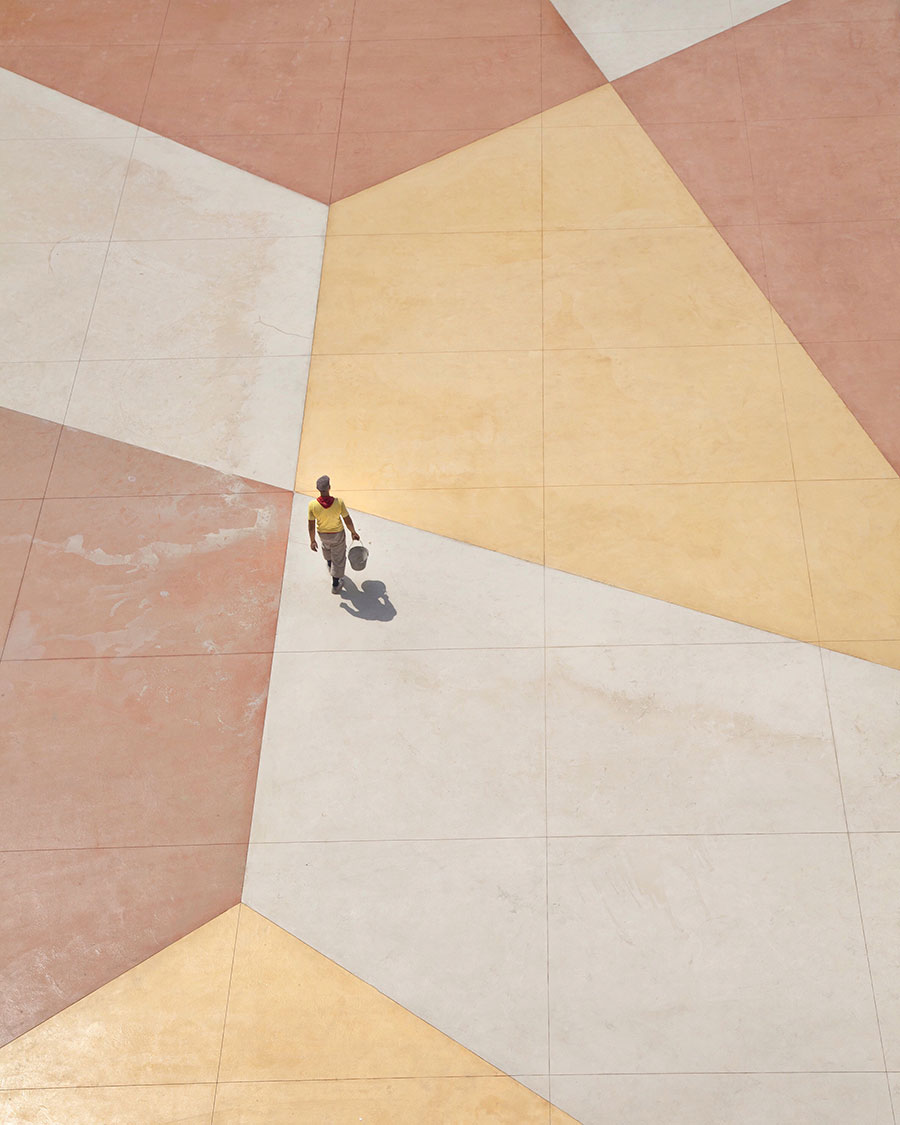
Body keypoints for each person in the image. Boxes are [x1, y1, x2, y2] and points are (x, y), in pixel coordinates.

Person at [308, 475, 360, 594]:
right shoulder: (339, 503)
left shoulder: (312, 505)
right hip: (337, 534)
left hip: (323, 534)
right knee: (339, 558)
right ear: (329, 487)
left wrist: (312, 540)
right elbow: (347, 519)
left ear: (318, 489)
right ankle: (336, 584)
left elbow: (311, 525)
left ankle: (329, 564)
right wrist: (353, 532)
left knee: (327, 548)